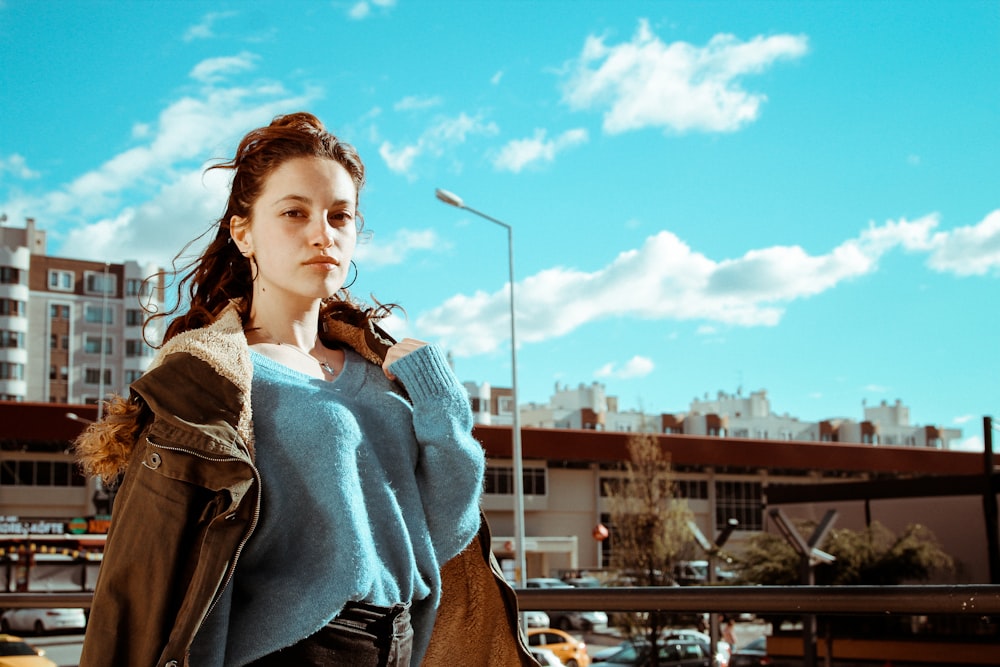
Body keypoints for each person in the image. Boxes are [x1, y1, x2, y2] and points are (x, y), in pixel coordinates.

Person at [75, 112, 537, 667]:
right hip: (296, 652)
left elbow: (445, 531)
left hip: (402, 642)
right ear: (242, 232)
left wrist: (438, 398)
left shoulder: (379, 373)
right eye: (295, 212)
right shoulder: (215, 381)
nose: (323, 233)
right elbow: (157, 574)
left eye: (340, 216)